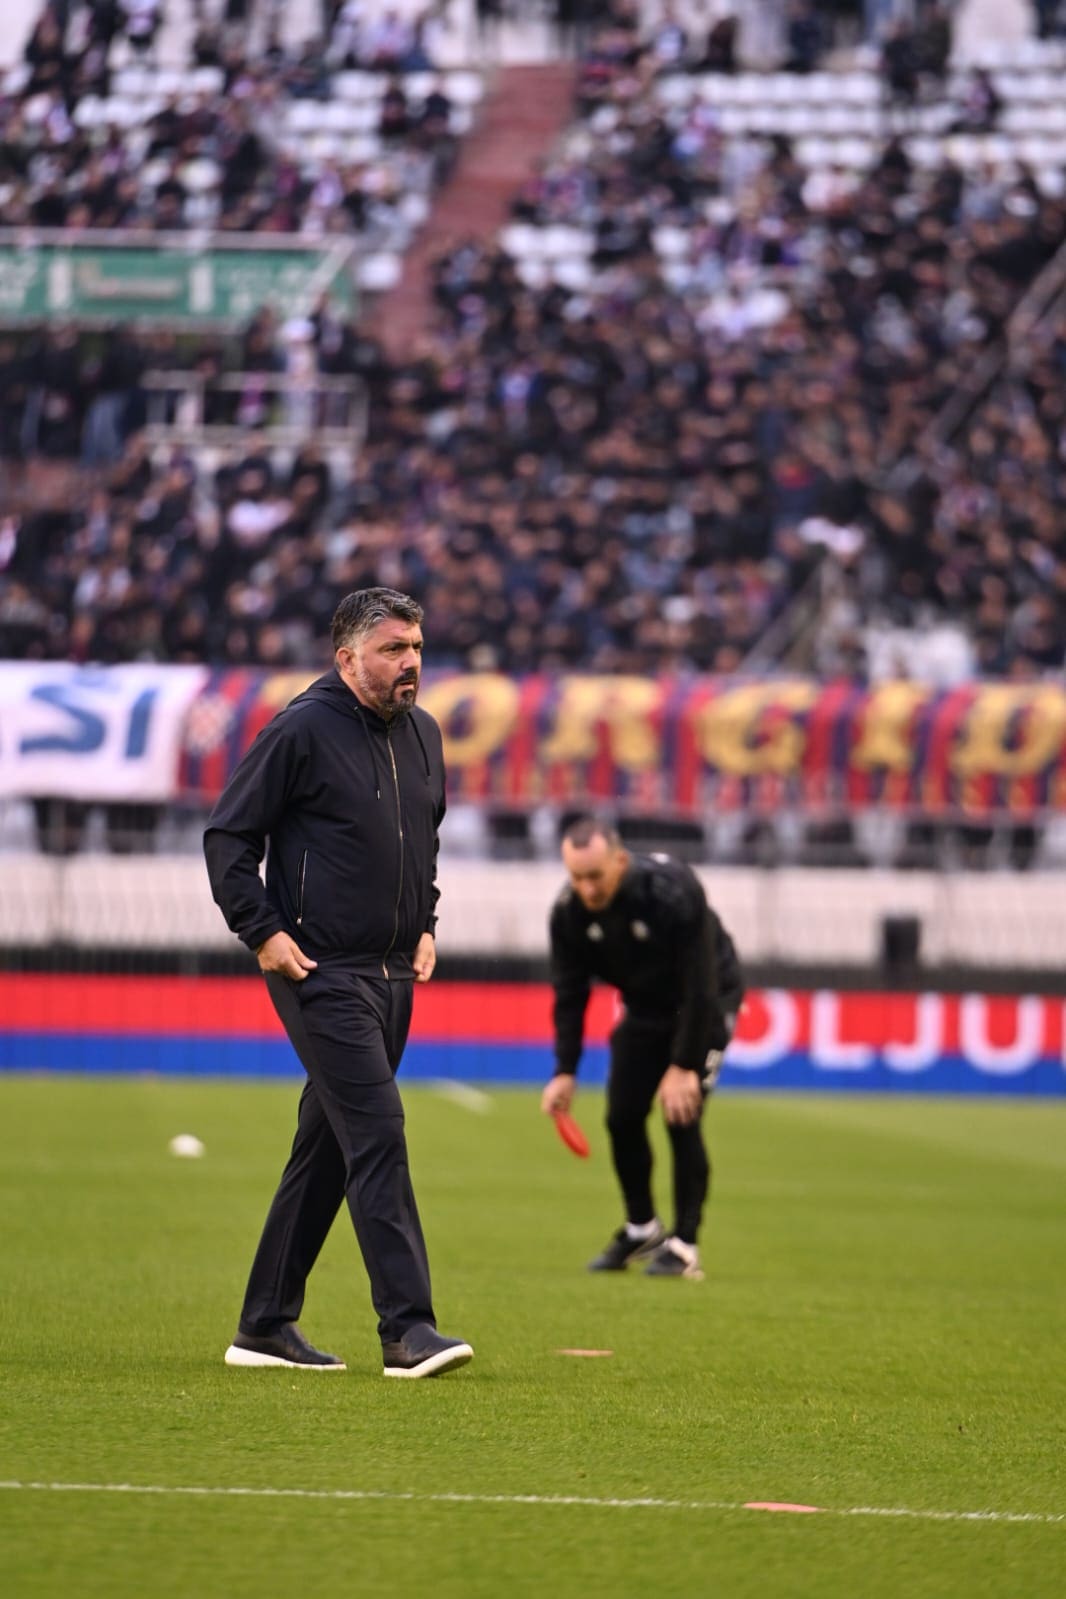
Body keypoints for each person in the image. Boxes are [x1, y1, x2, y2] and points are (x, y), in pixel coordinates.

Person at [203, 587, 473, 1378]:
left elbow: (422, 841)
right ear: (347, 656)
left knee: (326, 1151)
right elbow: (227, 837)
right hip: (319, 970)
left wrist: (425, 920)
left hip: (395, 974)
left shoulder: (424, 733)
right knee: (379, 1133)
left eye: (416, 646)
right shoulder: (299, 729)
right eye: (393, 649)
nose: (411, 661)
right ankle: (408, 1329)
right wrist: (262, 931)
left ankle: (263, 1326)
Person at [541, 817, 744, 1281]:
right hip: (645, 1006)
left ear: (620, 861)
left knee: (681, 1113)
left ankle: (685, 1246)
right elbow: (570, 994)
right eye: (576, 877)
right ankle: (643, 1229)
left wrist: (684, 1065)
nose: (587, 888)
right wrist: (564, 1070)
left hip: (708, 1000)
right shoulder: (569, 913)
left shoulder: (672, 892)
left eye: (595, 876)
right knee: (622, 1116)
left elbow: (701, 985)